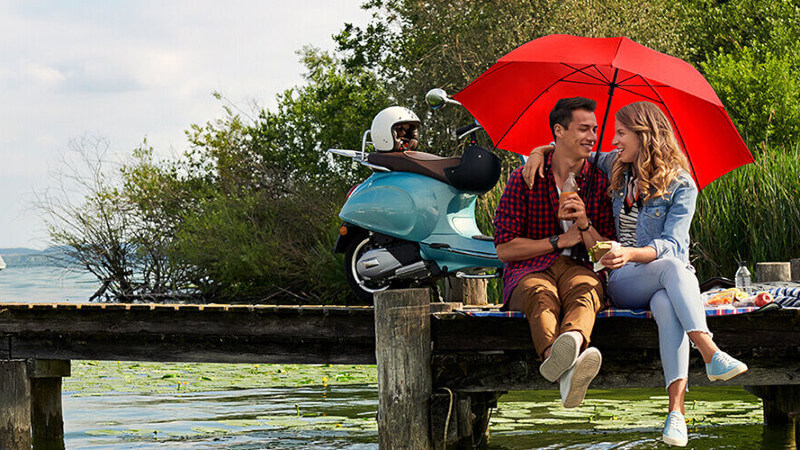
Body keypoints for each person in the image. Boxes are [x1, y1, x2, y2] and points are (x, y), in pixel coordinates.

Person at [523, 101, 748, 447]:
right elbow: (569, 149)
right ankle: (708, 350)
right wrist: (540, 151)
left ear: (645, 136)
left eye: (621, 133)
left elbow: (672, 245)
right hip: (625, 278)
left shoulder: (682, 185)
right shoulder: (616, 165)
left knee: (665, 301)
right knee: (672, 271)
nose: (613, 140)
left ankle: (676, 414)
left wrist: (629, 251)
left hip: (664, 277)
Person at [494, 97, 615, 408]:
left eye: (595, 129)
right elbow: (505, 249)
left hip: (579, 266)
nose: (592, 136)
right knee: (540, 295)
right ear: (559, 131)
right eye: (584, 129)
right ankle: (559, 360)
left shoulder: (600, 182)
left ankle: (567, 351)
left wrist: (586, 225)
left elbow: (605, 256)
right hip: (529, 270)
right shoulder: (525, 179)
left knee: (585, 289)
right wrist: (556, 242)